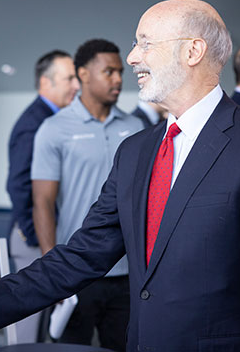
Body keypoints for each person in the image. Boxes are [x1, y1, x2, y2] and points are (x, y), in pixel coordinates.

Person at [0, 0, 240, 351]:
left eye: (145, 43)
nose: (132, 58)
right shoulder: (135, 151)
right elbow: (82, 253)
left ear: (193, 52)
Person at [31, 39, 142, 350]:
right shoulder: (54, 129)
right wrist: (53, 268)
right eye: (108, 72)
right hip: (77, 269)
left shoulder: (135, 127)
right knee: (71, 348)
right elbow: (42, 202)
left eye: (120, 72)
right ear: (83, 74)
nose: (118, 79)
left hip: (127, 272)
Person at [5, 49, 79, 343]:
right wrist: (35, 234)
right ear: (46, 83)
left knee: (46, 326)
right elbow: (18, 184)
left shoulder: (54, 119)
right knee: (29, 329)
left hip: (44, 236)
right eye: (69, 78)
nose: (76, 85)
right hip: (33, 238)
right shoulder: (34, 124)